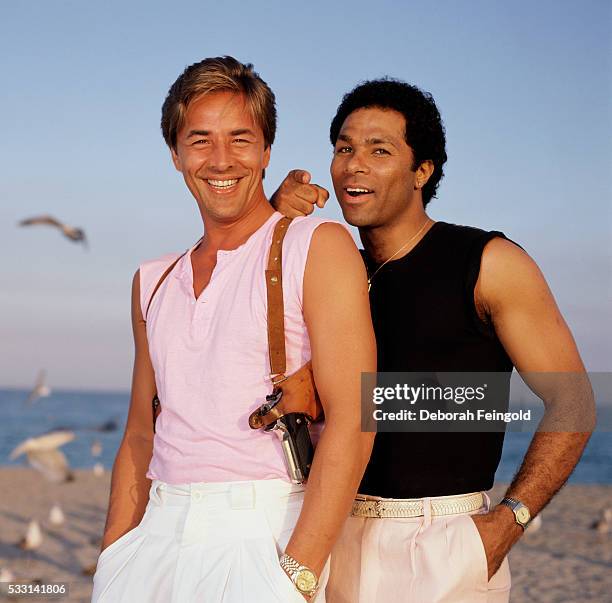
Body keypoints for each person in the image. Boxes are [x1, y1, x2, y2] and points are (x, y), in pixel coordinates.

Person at [273, 78, 595, 602]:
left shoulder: (489, 263)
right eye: (344, 148)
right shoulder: (323, 267)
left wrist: (509, 521)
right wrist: (272, 225)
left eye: (380, 150)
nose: (354, 164)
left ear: (422, 170)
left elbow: (574, 399)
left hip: (440, 542)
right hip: (323, 533)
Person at [92, 56, 376, 603]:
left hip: (264, 536)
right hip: (152, 542)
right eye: (199, 140)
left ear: (266, 151)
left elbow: (357, 417)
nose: (221, 160)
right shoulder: (151, 281)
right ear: (175, 155)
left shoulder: (315, 246)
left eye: (240, 139)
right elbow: (139, 434)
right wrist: (114, 554)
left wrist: (298, 574)